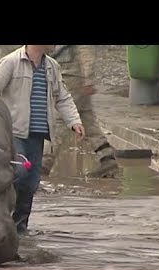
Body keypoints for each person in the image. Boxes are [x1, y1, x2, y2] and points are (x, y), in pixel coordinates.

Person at [0, 45, 85, 235]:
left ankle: (19, 228)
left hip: (38, 134)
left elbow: (62, 97)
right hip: (14, 132)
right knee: (19, 173)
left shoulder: (51, 66)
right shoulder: (11, 62)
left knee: (30, 183)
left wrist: (74, 121)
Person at [42, 45, 118, 178]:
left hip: (73, 78)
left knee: (60, 120)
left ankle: (44, 163)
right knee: (87, 121)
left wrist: (88, 79)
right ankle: (107, 159)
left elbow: (86, 50)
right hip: (70, 77)